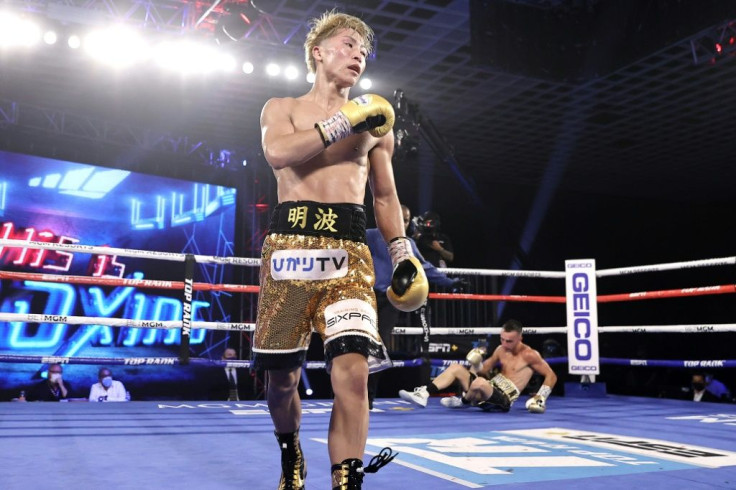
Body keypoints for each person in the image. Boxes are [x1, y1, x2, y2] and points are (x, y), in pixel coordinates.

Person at [251, 10, 427, 489]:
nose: (357, 56)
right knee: (282, 380)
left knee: (353, 373)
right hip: (289, 249)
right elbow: (279, 154)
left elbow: (386, 197)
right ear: (318, 52)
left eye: (363, 52)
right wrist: (339, 122)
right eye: (348, 45)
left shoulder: (376, 125)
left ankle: (346, 481)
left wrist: (402, 251)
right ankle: (291, 453)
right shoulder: (281, 107)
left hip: (349, 253)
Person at [366, 203, 467, 408]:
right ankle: (344, 395)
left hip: (390, 300)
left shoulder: (408, 243)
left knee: (380, 346)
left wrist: (451, 282)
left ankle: (368, 397)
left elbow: (425, 268)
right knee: (355, 344)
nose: (402, 223)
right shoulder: (369, 235)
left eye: (405, 220)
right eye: (399, 218)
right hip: (365, 297)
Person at [399, 319, 557, 413]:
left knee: (479, 383)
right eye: (502, 339)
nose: (504, 344)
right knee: (456, 368)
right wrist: (477, 362)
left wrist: (540, 398)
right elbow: (484, 370)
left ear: (520, 338)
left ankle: (464, 401)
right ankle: (424, 393)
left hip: (502, 401)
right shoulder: (500, 350)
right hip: (486, 390)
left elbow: (551, 375)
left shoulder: (530, 355)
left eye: (509, 341)